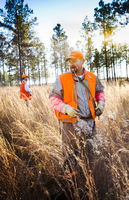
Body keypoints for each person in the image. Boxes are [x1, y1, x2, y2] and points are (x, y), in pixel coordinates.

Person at [49, 50, 105, 167]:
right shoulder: (62, 79)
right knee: (71, 158)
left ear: (83, 61)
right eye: (70, 61)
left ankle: (89, 179)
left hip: (90, 123)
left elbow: (100, 92)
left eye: (74, 61)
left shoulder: (92, 77)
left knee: (91, 155)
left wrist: (101, 103)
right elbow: (54, 98)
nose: (71, 64)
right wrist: (65, 108)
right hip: (71, 125)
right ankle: (72, 183)